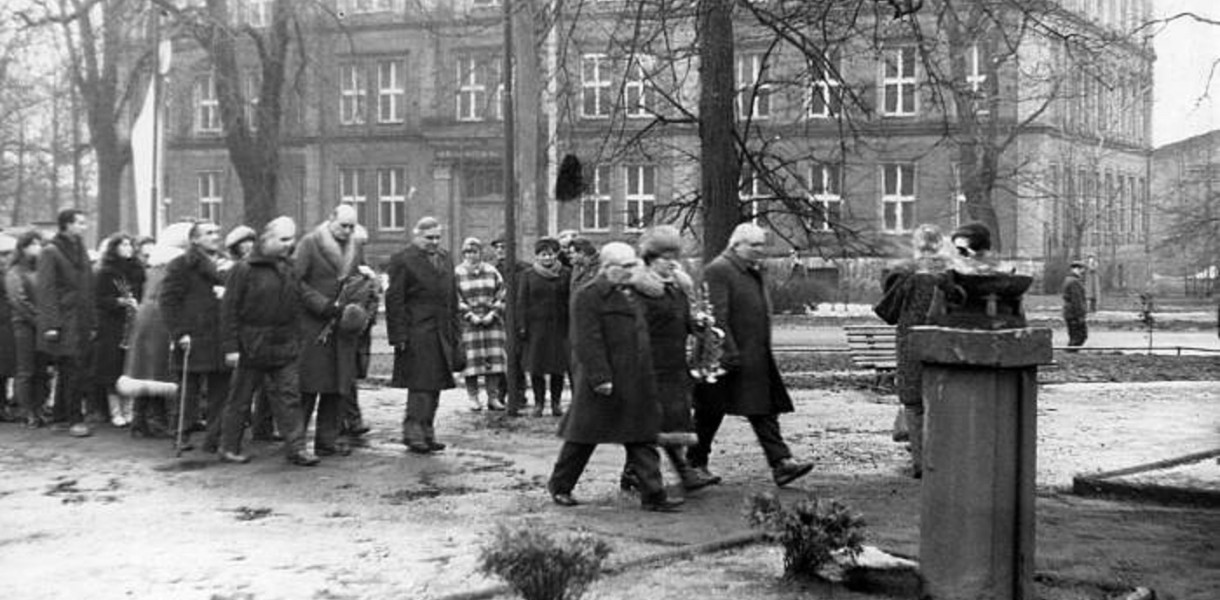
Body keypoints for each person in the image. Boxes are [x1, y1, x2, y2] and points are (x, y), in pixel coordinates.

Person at [547, 242, 683, 512]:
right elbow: (586, 339)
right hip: (605, 380)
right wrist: (600, 377)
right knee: (583, 437)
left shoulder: (633, 292)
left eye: (635, 264)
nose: (635, 270)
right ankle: (560, 486)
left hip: (636, 376)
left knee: (642, 436)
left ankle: (653, 494)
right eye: (628, 266)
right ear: (609, 268)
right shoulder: (589, 295)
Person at [688, 223, 813, 487]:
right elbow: (715, 315)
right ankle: (694, 464)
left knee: (762, 410)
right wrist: (727, 353)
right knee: (709, 413)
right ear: (737, 244)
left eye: (761, 245)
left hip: (753, 355)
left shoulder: (749, 271)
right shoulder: (719, 270)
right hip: (726, 357)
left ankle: (781, 463)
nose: (760, 250)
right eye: (754, 245)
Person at [623, 226, 717, 493]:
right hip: (649, 365)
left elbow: (683, 321)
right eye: (665, 258)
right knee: (658, 421)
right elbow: (635, 330)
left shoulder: (675, 288)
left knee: (670, 420)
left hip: (675, 364)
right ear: (650, 260)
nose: (671, 263)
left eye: (674, 257)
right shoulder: (639, 291)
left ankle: (632, 471)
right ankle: (684, 473)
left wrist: (698, 325)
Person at [218, 217, 317, 466]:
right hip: (251, 345)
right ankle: (228, 447)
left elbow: (298, 302)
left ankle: (297, 449)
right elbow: (229, 311)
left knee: (289, 397)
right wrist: (230, 348)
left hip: (283, 344)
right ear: (268, 239)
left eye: (292, 239)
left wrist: (298, 336)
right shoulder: (243, 269)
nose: (289, 244)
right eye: (284, 239)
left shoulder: (288, 268)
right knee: (240, 400)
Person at [294, 205, 373, 457]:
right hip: (313, 326)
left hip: (342, 329)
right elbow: (296, 282)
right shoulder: (309, 244)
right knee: (308, 386)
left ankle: (327, 440)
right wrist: (322, 305)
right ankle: (296, 444)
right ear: (330, 220)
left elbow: (358, 278)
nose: (348, 231)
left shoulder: (355, 247)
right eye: (343, 225)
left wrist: (359, 302)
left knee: (336, 386)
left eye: (352, 226)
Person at [874, 224, 952, 478]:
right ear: (940, 244)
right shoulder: (950, 273)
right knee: (940, 402)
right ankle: (940, 461)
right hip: (943, 342)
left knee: (914, 402)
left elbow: (889, 310)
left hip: (911, 343)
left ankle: (921, 464)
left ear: (916, 245)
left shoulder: (905, 273)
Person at [385, 217, 461, 454]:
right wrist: (399, 336)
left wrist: (455, 332)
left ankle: (428, 431)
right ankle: (413, 433)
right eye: (429, 238)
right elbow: (394, 300)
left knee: (436, 384)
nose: (434, 242)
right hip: (417, 332)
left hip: (442, 331)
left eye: (438, 237)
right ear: (416, 236)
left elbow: (452, 298)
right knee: (420, 386)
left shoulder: (446, 258)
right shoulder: (403, 260)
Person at [160, 221, 231, 453]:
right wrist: (179, 332)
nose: (215, 236)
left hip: (219, 335)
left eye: (216, 232)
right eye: (209, 233)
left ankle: (215, 436)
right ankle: (182, 433)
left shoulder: (225, 265)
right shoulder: (180, 265)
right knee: (188, 389)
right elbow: (168, 301)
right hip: (193, 335)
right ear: (195, 239)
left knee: (220, 389)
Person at [120, 223, 192, 439]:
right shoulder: (176, 264)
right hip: (162, 320)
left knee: (145, 371)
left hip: (147, 318)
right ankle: (157, 419)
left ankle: (140, 419)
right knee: (162, 370)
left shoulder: (155, 265)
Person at [37, 209, 96, 437]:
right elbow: (47, 290)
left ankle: (60, 416)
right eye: (80, 223)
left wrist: (92, 321)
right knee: (72, 366)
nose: (84, 226)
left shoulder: (80, 248)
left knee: (72, 367)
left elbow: (88, 286)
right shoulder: (51, 251)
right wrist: (52, 324)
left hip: (81, 317)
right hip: (64, 318)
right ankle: (73, 418)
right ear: (66, 225)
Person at [91, 233, 144, 428]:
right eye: (123, 244)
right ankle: (115, 411)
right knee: (112, 370)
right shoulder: (105, 272)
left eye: (130, 244)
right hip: (112, 326)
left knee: (128, 368)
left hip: (133, 324)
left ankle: (129, 409)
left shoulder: (137, 270)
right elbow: (98, 299)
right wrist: (118, 302)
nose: (127, 248)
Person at [516, 237, 570, 417]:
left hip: (560, 327)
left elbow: (570, 300)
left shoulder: (566, 274)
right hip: (536, 328)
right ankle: (538, 403)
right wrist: (522, 326)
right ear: (537, 256)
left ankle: (556, 403)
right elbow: (522, 302)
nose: (547, 258)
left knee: (558, 367)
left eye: (550, 254)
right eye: (543, 254)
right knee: (536, 366)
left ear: (556, 254)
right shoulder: (528, 275)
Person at [455, 237, 507, 412]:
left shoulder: (492, 271)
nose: (471, 255)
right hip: (470, 325)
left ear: (480, 253)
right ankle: (473, 398)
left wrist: (493, 313)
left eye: (474, 251)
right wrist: (470, 315)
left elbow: (502, 294)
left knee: (493, 363)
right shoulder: (458, 273)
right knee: (472, 364)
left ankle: (493, 397)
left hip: (492, 323)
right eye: (468, 252)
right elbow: (455, 298)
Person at [7, 231, 51, 428]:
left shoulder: (42, 270)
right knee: (26, 370)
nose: (38, 248)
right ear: (23, 247)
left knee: (42, 370)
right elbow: (19, 300)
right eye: (33, 244)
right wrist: (39, 319)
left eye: (39, 243)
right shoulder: (15, 272)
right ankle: (27, 411)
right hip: (24, 326)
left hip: (42, 326)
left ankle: (39, 407)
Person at [490, 235, 529, 413]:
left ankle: (519, 393)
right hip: (498, 317)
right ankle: (501, 392)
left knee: (516, 357)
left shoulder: (523, 269)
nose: (500, 251)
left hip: (516, 317)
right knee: (499, 357)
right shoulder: (491, 269)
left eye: (504, 248)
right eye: (497, 248)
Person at [0, 234, 16, 421]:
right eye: (2, 255)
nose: (5, 259)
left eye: (7, 255)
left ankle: (3, 405)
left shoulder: (7, 275)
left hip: (6, 326)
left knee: (4, 371)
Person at [1063, 260, 1089, 351]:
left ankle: (1071, 352)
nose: (1083, 272)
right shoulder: (1074, 282)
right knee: (1079, 336)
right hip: (1074, 314)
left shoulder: (1069, 280)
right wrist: (1080, 315)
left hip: (1069, 312)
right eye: (1082, 269)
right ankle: (1070, 354)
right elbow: (1077, 300)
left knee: (1074, 336)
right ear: (1077, 269)